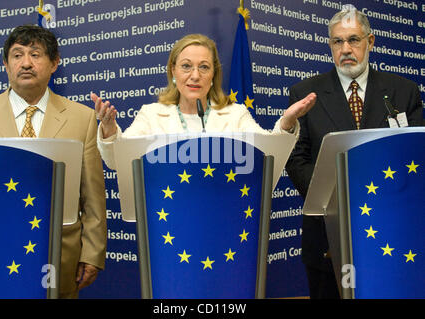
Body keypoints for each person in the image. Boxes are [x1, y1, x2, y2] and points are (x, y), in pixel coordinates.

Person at [285, 7, 423, 299]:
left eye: (354, 40)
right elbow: (296, 159)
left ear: (370, 42)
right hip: (327, 235)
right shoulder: (305, 93)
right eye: (337, 42)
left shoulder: (403, 92)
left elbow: (415, 158)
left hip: (392, 230)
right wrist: (336, 198)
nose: (346, 49)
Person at [0, 25, 107, 298]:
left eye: (35, 54)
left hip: (59, 256)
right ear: (5, 64)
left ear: (54, 63)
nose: (26, 63)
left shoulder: (81, 118)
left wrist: (92, 254)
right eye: (17, 55)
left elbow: (93, 197)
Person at [92, 33, 317, 169]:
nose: (195, 75)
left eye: (204, 67)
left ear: (213, 76)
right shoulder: (151, 115)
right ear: (173, 71)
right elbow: (116, 161)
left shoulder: (235, 114)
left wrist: (286, 123)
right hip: (167, 218)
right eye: (186, 66)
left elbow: (268, 156)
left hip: (225, 216)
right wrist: (110, 129)